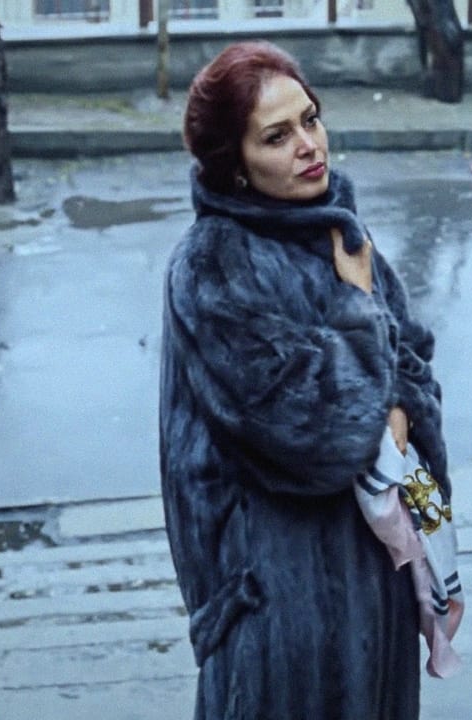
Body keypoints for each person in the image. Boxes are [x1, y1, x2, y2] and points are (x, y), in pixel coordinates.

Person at [159, 41, 455, 719]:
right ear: (235, 165)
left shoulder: (338, 232)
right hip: (279, 608)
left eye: (311, 119)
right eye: (277, 136)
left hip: (375, 580)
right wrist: (358, 314)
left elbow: (414, 365)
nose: (309, 145)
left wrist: (395, 410)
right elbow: (317, 434)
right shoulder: (214, 266)